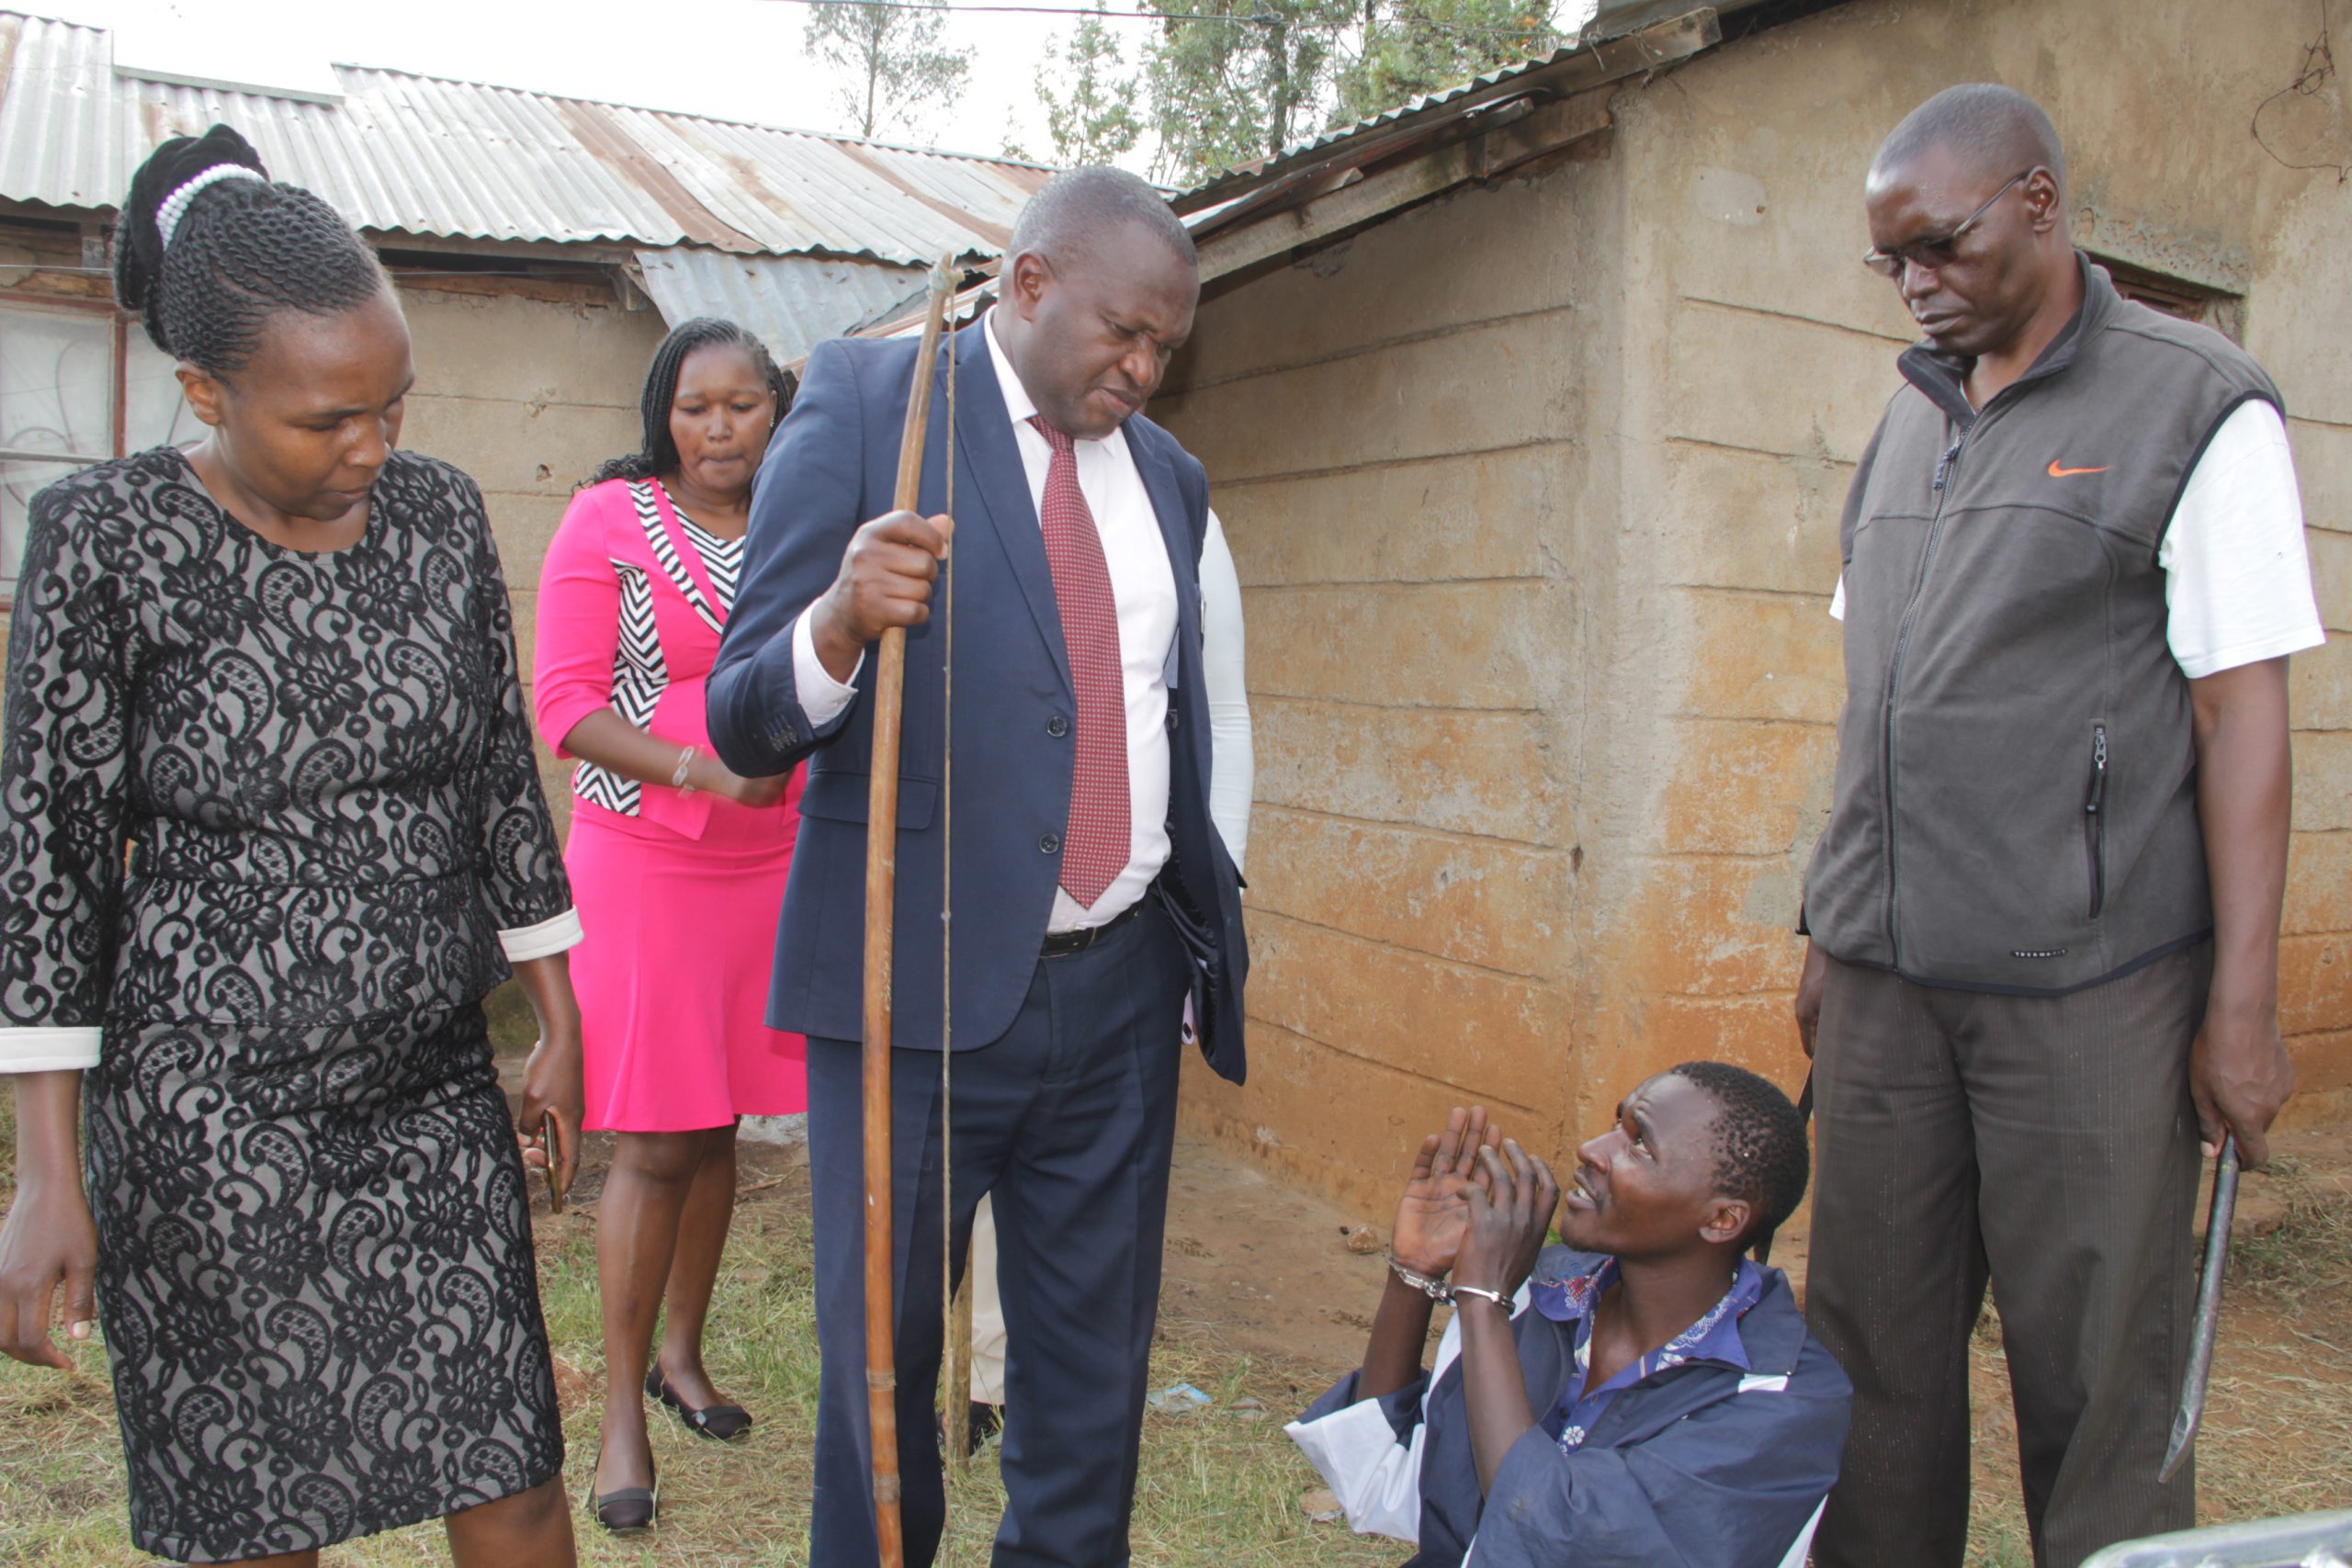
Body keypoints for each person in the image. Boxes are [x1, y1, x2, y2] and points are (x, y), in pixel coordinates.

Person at [0, 125, 583, 1567]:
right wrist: (45, 1170)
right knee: (264, 1514)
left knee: (511, 1463)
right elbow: (49, 865)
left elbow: (499, 774)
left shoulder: (439, 517)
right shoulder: (105, 540)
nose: (374, 444)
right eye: (329, 419)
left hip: (426, 1090)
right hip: (211, 1120)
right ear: (206, 391)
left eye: (393, 402)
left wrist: (558, 1017)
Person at [1794, 85, 2323, 1568]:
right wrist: (1828, 924)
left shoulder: (2196, 403)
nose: (1916, 283)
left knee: (2095, 1375)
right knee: (1868, 1362)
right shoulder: (1907, 423)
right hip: (1892, 991)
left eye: (1942, 246)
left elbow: (2244, 716)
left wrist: (2243, 1007)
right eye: (1891, 260)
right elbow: (1876, 699)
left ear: (2039, 201)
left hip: (2094, 992)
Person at [705, 165, 1250, 1567]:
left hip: (1119, 991)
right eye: (1123, 333)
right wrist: (835, 620)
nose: (1142, 367)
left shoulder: (1171, 477)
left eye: (1165, 348)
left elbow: (1168, 711)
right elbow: (739, 716)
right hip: (916, 980)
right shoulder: (871, 409)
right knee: (881, 1378)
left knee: (1089, 1379)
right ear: (1027, 284)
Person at [530, 318, 805, 1534]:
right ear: (664, 413)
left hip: (777, 856)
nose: (719, 427)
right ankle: (619, 1418)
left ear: (776, 413)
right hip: (644, 854)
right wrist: (700, 768)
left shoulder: (810, 520)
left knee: (721, 1121)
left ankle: (680, 1357)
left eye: (743, 404)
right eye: (696, 405)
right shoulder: (608, 520)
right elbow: (565, 704)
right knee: (650, 1134)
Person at [1289, 1066, 1851, 1567]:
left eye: (1640, 1146)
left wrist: (1483, 1299)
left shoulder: (1782, 1400)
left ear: (1722, 1220)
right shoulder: (1542, 1296)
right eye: (1616, 1124)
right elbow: (1383, 1485)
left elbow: (1555, 1534)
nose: (1592, 1149)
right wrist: (1412, 1275)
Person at [961, 500, 1253, 1448]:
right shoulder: (955, 477)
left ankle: (1002, 1378)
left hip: (1123, 931)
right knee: (935, 1180)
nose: (1126, 363)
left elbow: (1223, 705)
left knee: (1067, 1188)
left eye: (1147, 342)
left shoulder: (1178, 504)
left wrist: (1215, 913)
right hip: (962, 914)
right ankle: (919, 1380)